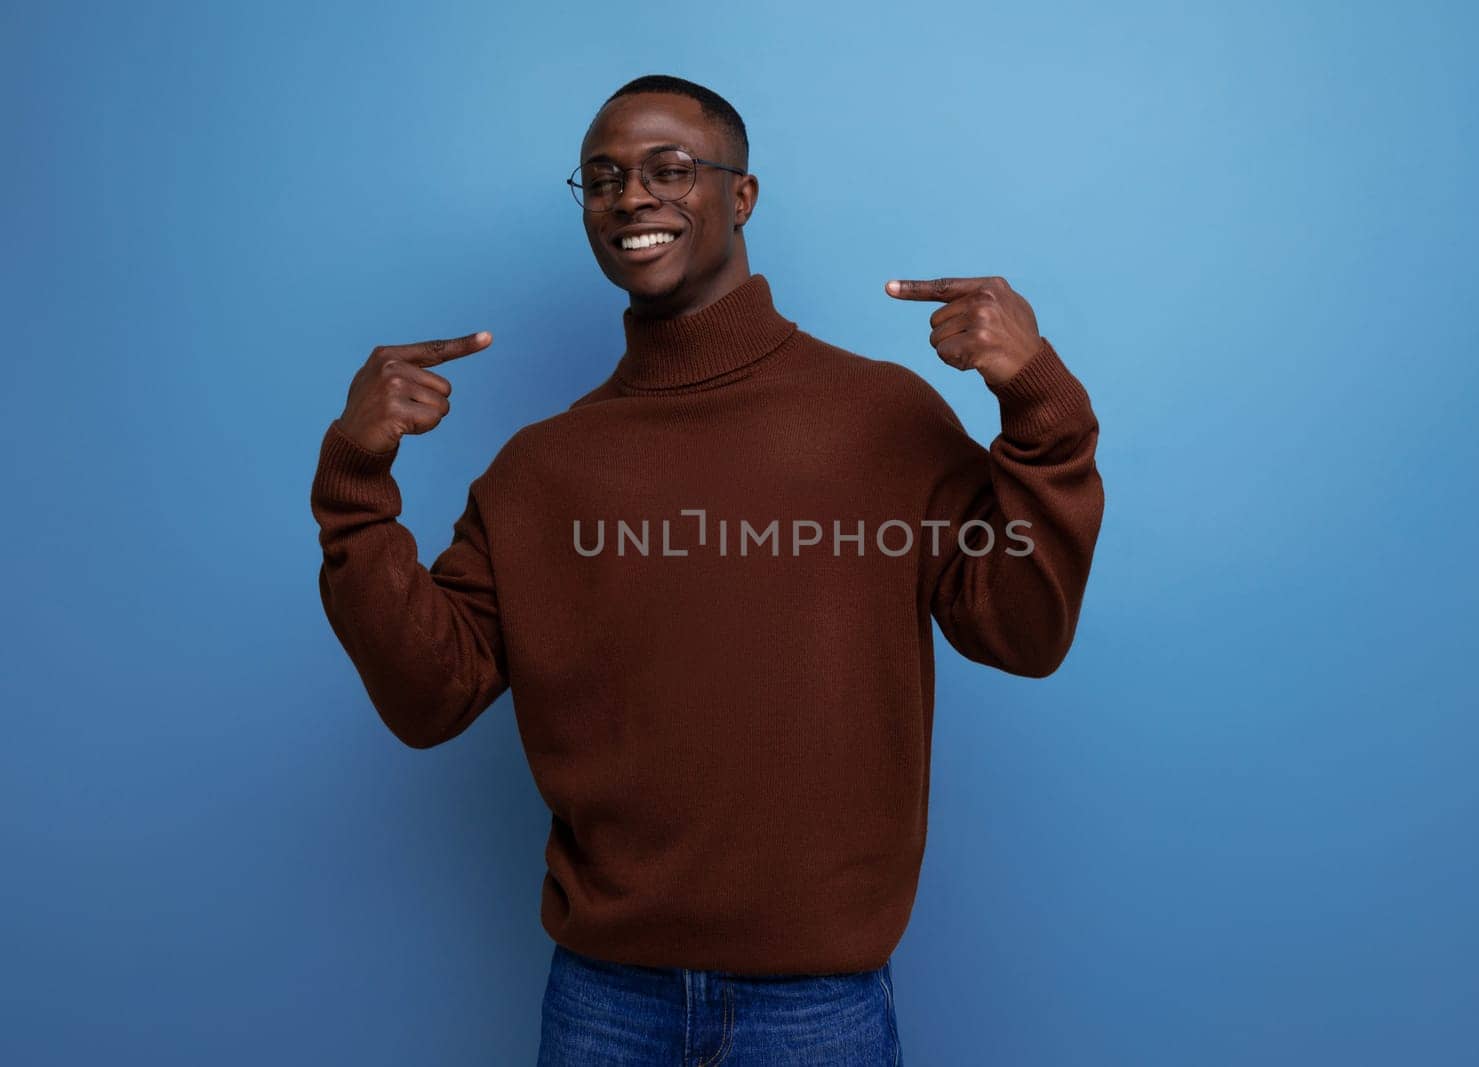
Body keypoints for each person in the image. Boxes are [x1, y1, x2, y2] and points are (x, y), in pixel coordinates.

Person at [309, 73, 1105, 1065]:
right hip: (603, 1000)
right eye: (601, 179)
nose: (629, 196)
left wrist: (1036, 400)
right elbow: (429, 696)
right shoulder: (541, 470)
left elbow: (1023, 629)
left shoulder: (878, 418)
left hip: (816, 1006)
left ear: (742, 196)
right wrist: (356, 479)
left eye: (667, 169)